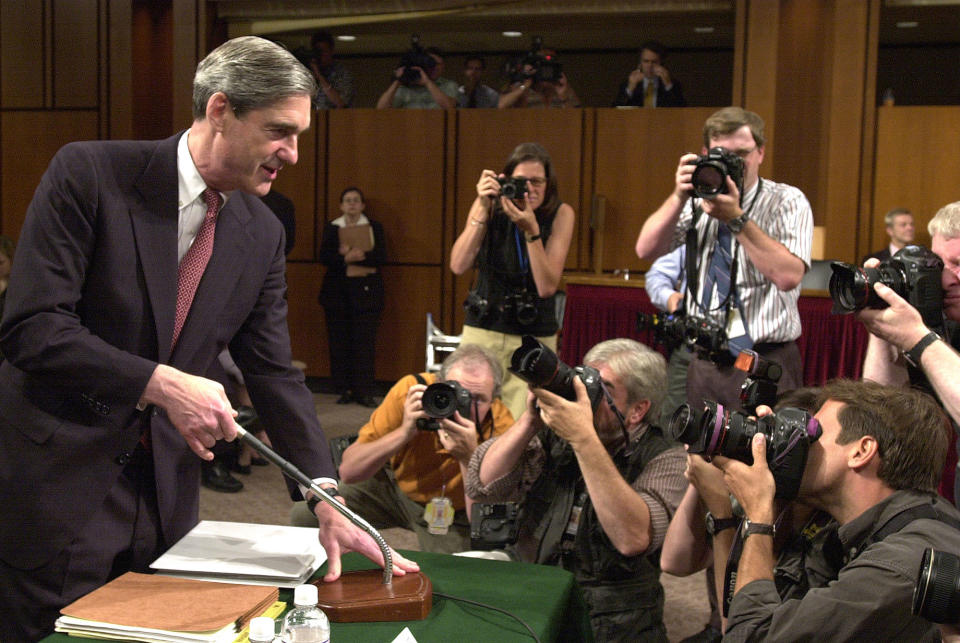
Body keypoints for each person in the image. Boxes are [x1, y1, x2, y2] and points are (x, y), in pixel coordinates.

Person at [0, 36, 418, 642]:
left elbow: (274, 372)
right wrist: (161, 384)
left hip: (167, 501)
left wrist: (325, 492)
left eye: (299, 134)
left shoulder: (263, 231)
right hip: (58, 485)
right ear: (219, 110)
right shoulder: (90, 173)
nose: (293, 154)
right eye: (280, 131)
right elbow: (32, 327)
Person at [465, 338, 686, 641]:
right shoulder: (555, 434)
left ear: (637, 410)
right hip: (533, 583)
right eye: (584, 380)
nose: (585, 394)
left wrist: (583, 438)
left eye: (601, 387)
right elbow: (482, 487)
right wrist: (530, 420)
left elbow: (632, 538)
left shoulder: (666, 457)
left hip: (614, 617)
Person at [713, 379, 960, 641]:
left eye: (811, 434)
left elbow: (752, 636)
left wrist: (758, 517)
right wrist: (779, 485)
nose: (797, 445)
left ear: (861, 451)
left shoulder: (899, 568)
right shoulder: (854, 525)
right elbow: (782, 605)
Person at [634, 106, 813, 414]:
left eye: (742, 154)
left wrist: (736, 218)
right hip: (705, 361)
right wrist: (679, 195)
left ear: (760, 152)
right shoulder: (696, 203)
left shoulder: (786, 200)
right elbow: (645, 250)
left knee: (764, 455)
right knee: (700, 457)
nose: (734, 164)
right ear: (705, 153)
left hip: (763, 361)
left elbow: (788, 276)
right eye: (722, 154)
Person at [292, 344, 514, 553]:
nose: (462, 405)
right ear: (438, 382)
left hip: (456, 513)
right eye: (454, 393)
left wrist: (469, 457)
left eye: (477, 399)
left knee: (453, 572)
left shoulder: (501, 426)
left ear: (495, 400)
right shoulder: (413, 392)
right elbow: (349, 472)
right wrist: (405, 432)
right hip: (393, 489)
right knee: (308, 514)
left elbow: (482, 519)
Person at [449, 142, 575, 420]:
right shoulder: (489, 204)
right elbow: (458, 264)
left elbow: (546, 286)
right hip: (484, 328)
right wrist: (483, 208)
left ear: (548, 183)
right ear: (504, 180)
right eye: (521, 181)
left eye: (537, 181)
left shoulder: (561, 214)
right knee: (469, 414)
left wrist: (531, 229)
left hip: (532, 337)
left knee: (523, 424)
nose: (528, 188)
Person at [859, 200, 960, 505]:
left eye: (958, 263)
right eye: (941, 265)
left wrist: (918, 339)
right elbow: (883, 411)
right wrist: (883, 322)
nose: (946, 279)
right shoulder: (949, 322)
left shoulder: (929, 335)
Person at [318, 187, 386, 408]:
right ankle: (344, 389)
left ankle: (364, 391)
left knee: (364, 344)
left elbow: (382, 256)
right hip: (337, 294)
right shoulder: (333, 227)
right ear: (341, 206)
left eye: (356, 201)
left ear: (363, 205)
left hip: (367, 294)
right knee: (339, 344)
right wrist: (344, 258)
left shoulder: (374, 227)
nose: (352, 204)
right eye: (347, 201)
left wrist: (360, 257)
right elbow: (323, 257)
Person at [644, 244, 692, 428]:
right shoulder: (697, 226)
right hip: (690, 345)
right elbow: (656, 275)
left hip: (750, 350)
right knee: (673, 422)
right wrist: (669, 297)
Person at [376, 46, 457, 110]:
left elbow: (449, 107)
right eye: (430, 63)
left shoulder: (449, 85)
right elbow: (381, 109)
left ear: (443, 66)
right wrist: (397, 81)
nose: (434, 67)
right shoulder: (407, 86)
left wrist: (427, 83)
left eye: (437, 64)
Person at [613, 41, 686, 108]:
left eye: (654, 62)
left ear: (661, 64)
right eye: (646, 61)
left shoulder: (673, 84)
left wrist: (668, 85)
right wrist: (630, 89)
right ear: (640, 63)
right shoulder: (627, 84)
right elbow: (615, 109)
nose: (650, 66)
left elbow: (682, 109)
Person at [498, 50, 581, 109]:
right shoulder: (519, 87)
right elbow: (499, 106)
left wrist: (563, 96)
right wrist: (524, 86)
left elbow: (576, 118)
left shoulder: (564, 89)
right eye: (542, 64)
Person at [306, 30, 354, 109]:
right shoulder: (308, 71)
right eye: (318, 52)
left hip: (336, 118)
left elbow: (341, 103)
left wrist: (319, 76)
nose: (321, 55)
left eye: (324, 51)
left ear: (331, 51)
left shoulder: (341, 73)